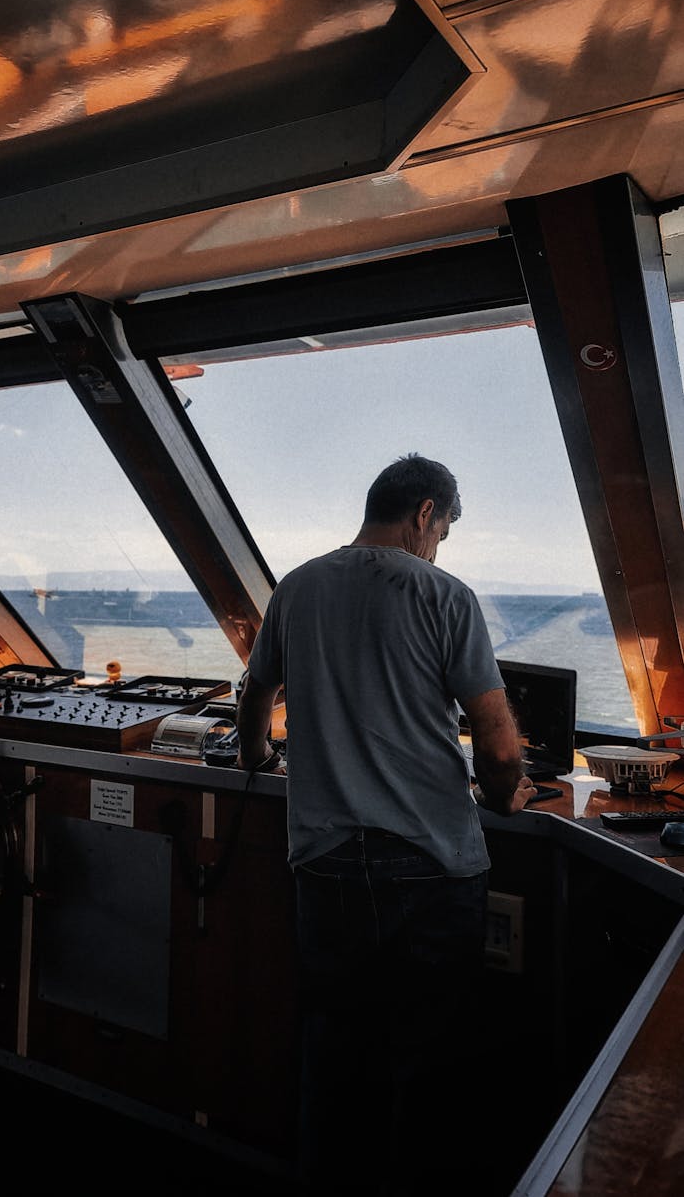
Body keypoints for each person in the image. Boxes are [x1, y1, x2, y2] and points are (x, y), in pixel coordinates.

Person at [236, 453, 536, 1195]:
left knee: (334, 1065)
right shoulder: (444, 595)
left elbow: (254, 695)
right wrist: (509, 798)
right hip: (431, 867)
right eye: (441, 533)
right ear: (425, 513)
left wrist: (258, 754)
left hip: (326, 867)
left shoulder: (297, 588)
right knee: (429, 1073)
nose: (437, 549)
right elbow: (498, 747)